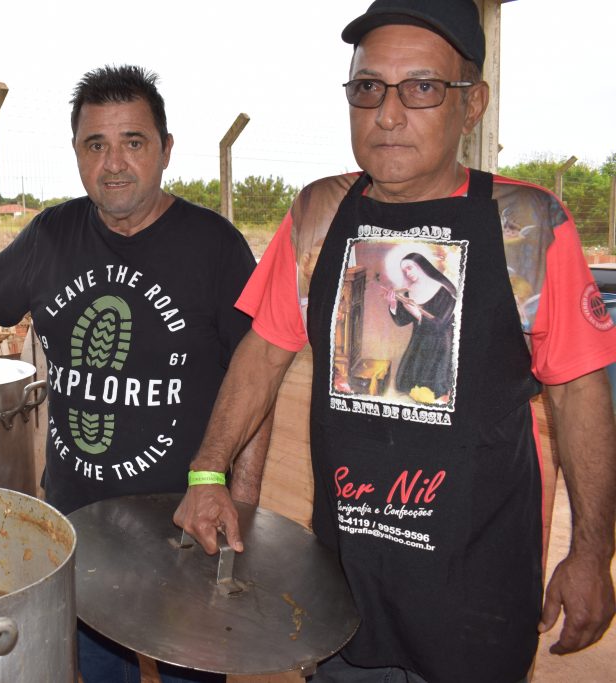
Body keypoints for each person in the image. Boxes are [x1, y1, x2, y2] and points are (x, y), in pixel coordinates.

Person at [174, 2, 616, 682]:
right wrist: (208, 470)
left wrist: (591, 551)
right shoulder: (320, 215)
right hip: (347, 588)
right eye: (367, 87)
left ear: (472, 105)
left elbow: (579, 392)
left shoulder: (527, 226)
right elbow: (262, 353)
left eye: (422, 87)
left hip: (479, 594)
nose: (386, 113)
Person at [0, 64, 271, 683]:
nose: (114, 163)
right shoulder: (52, 235)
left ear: (166, 151)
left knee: (188, 672)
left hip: (181, 526)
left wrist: (244, 500)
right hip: (78, 528)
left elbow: (257, 381)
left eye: (133, 142)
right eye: (96, 145)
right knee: (93, 670)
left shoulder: (215, 248)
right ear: (76, 154)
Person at [382, 252, 457, 398]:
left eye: (410, 268)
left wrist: (418, 315)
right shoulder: (411, 291)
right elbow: (401, 321)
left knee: (432, 388)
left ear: (421, 266)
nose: (408, 273)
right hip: (419, 341)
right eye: (405, 271)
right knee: (406, 384)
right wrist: (393, 305)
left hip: (439, 345)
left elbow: (441, 325)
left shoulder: (444, 290)